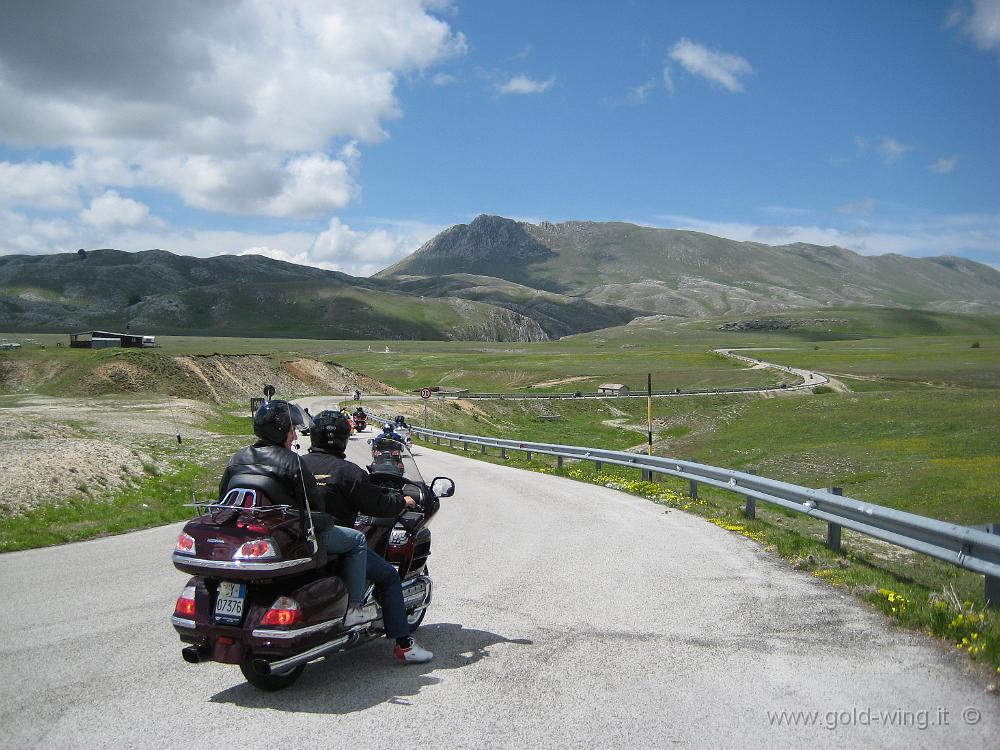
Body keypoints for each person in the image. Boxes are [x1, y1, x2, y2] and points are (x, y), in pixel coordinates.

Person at [220, 399, 370, 627]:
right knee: (357, 539)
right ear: (280, 431)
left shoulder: (236, 458)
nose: (295, 436)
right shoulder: (292, 462)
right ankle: (356, 608)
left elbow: (223, 499)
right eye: (292, 431)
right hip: (290, 534)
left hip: (247, 535)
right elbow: (314, 505)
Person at [301, 410, 434, 664]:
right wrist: (402, 500)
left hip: (300, 542)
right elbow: (378, 505)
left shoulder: (296, 465)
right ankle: (403, 645)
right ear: (342, 438)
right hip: (335, 543)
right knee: (389, 577)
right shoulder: (348, 472)